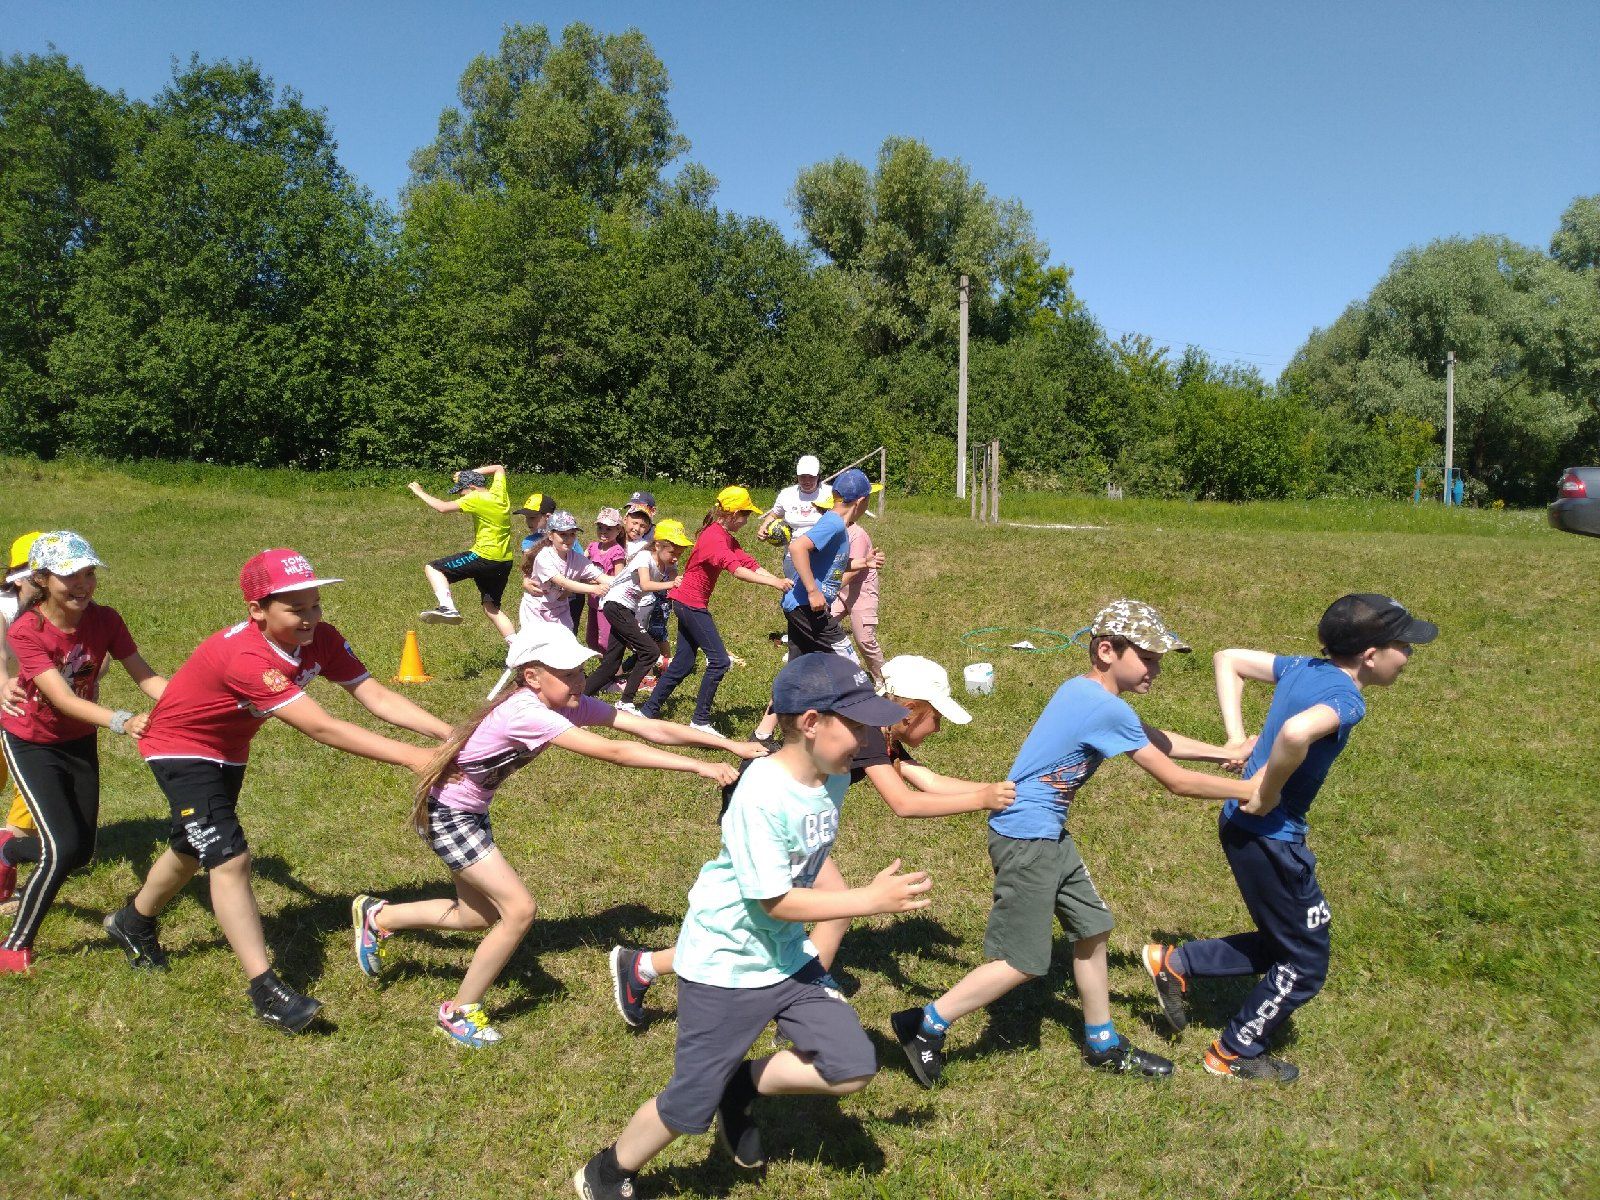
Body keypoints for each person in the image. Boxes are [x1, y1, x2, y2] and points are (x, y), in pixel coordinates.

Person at [572, 654, 931, 1199]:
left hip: (786, 959)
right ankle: (608, 1172)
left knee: (854, 1064)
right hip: (726, 966)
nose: (866, 739)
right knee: (687, 1102)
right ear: (810, 724)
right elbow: (772, 903)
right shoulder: (762, 794)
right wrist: (867, 899)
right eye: (855, 725)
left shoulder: (828, 775)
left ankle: (739, 1087)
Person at [889, 600, 1258, 1086]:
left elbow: (1153, 737)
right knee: (1021, 961)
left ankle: (1102, 1043)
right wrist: (1250, 791)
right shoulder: (1101, 706)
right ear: (1107, 651)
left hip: (1048, 834)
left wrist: (1224, 753)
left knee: (1092, 928)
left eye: (1159, 659)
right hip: (1028, 839)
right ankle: (926, 1024)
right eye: (1147, 657)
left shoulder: (1085, 693)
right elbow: (1174, 780)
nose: (1156, 669)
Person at [350, 622, 760, 1048]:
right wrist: (697, 767)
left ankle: (380, 919)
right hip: (450, 815)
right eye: (566, 675)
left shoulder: (567, 703)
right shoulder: (527, 712)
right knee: (519, 911)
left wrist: (727, 746)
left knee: (478, 916)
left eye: (580, 672)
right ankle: (458, 1012)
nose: (579, 681)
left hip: (466, 811)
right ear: (532, 677)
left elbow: (644, 727)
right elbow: (615, 752)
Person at [102, 548, 451, 1032]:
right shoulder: (247, 656)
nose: (310, 618)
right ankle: (265, 989)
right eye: (295, 608)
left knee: (193, 843)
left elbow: (375, 695)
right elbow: (323, 728)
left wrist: (446, 735)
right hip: (180, 746)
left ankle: (133, 921)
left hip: (228, 747)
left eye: (315, 605)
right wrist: (415, 758)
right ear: (258, 611)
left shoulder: (321, 638)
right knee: (228, 857)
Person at [608, 654, 1016, 1028]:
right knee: (792, 916)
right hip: (769, 807)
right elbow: (904, 802)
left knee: (754, 928)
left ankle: (644, 966)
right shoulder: (867, 734)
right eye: (936, 717)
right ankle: (801, 995)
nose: (939, 728)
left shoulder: (877, 735)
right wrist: (981, 799)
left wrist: (994, 792)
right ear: (909, 713)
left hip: (791, 810)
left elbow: (927, 781)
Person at [1142, 593, 1436, 1083]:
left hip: (1245, 827)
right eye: (1404, 644)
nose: (1409, 654)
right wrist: (1267, 791)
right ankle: (1234, 1052)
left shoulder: (1304, 667)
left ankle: (1177, 963)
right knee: (1304, 963)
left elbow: (1228, 659)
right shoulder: (1346, 699)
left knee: (1291, 938)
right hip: (1270, 836)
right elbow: (1297, 733)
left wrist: (1237, 740)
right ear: (1371, 653)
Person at [0, 532, 167, 973]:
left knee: (82, 851)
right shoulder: (27, 629)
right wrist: (122, 720)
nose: (82, 584)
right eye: (68, 576)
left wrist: (192, 701)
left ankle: (8, 852)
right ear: (41, 578)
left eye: (89, 574)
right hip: (30, 740)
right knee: (60, 849)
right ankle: (14, 945)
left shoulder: (106, 619)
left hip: (77, 739)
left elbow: (146, 676)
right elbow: (62, 699)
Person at [637, 487, 789, 737]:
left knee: (683, 664)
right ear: (733, 513)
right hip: (690, 604)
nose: (747, 521)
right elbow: (737, 571)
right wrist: (775, 583)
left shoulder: (723, 535)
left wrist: (778, 580)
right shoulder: (714, 539)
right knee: (719, 661)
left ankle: (648, 711)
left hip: (687, 602)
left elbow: (747, 562)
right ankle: (700, 720)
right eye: (746, 515)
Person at [751, 468, 881, 743]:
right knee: (850, 664)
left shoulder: (839, 528)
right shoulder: (834, 523)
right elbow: (798, 548)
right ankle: (870, 739)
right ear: (860, 502)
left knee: (796, 673)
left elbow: (830, 563)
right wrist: (812, 591)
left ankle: (762, 735)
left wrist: (864, 563)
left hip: (800, 607)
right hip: (807, 608)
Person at [582, 519, 694, 713]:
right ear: (658, 545)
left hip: (626, 609)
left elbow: (675, 580)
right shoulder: (644, 557)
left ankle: (579, 698)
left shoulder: (666, 565)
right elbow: (646, 585)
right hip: (616, 605)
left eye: (679, 554)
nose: (676, 557)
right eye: (672, 552)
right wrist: (672, 584)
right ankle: (626, 702)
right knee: (650, 651)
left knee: (611, 664)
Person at [409, 465, 516, 639]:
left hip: (483, 557)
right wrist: (468, 474)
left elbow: (442, 508)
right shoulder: (499, 493)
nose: (461, 496)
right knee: (491, 607)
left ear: (472, 488)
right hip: (504, 561)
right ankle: (518, 651)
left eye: (462, 492)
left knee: (434, 568)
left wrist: (419, 492)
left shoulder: (476, 498)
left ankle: (447, 607)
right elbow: (499, 468)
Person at [2, 531, 43, 847]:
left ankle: (5, 861)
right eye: (39, 576)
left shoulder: (66, 608)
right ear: (17, 578)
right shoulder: (3, 610)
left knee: (31, 790)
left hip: (32, 713)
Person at [522, 511, 614, 632]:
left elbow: (601, 576)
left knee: (565, 646)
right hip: (537, 610)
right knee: (540, 647)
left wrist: (629, 580)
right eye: (562, 534)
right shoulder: (544, 557)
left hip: (560, 610)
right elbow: (563, 582)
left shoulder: (576, 558)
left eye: (572, 534)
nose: (568, 538)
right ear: (550, 535)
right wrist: (594, 589)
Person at [832, 510, 887, 682]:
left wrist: (829, 587)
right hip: (839, 590)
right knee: (820, 623)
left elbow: (853, 571)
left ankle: (883, 680)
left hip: (861, 591)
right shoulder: (830, 532)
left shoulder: (857, 535)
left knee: (864, 639)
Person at [756, 454, 834, 550]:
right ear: (797, 476)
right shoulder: (786, 494)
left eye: (811, 477)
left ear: (818, 476)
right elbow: (774, 515)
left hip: (825, 549)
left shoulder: (831, 493)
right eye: (803, 476)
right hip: (794, 550)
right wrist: (763, 528)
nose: (807, 481)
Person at [582, 507, 629, 652]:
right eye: (600, 527)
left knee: (605, 641)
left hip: (607, 602)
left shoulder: (617, 551)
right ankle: (606, 669)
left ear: (618, 530)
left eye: (608, 528)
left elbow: (618, 579)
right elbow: (580, 564)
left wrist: (594, 581)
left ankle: (614, 671)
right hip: (593, 600)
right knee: (591, 639)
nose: (603, 531)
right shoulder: (593, 547)